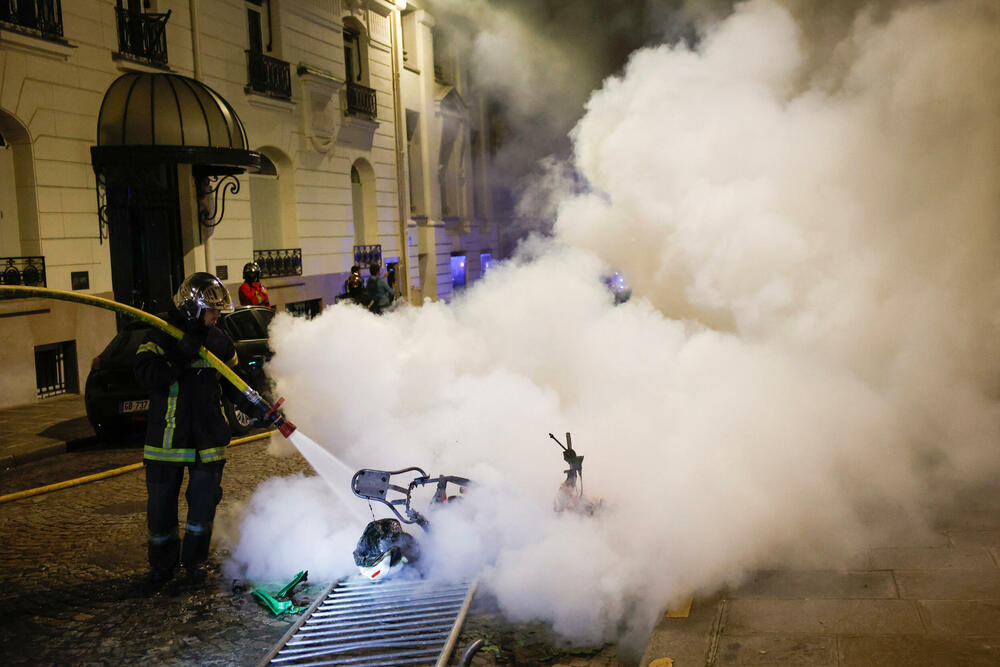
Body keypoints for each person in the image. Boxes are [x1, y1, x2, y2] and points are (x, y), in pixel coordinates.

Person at [134, 272, 263, 588]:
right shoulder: (160, 336)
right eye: (211, 311)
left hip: (208, 440)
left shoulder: (218, 341)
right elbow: (145, 377)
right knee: (161, 509)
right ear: (192, 308)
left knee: (202, 508)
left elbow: (234, 387)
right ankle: (162, 567)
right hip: (166, 441)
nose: (216, 317)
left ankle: (194, 563)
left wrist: (260, 410)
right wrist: (180, 355)